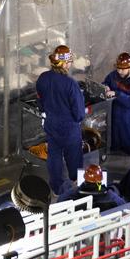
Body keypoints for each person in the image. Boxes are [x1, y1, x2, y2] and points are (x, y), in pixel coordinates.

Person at [35, 45, 86, 196]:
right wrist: (78, 119)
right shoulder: (71, 84)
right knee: (74, 156)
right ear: (64, 64)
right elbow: (78, 111)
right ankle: (77, 184)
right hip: (69, 127)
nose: (70, 64)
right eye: (69, 62)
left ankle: (57, 188)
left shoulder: (43, 78)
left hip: (51, 124)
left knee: (54, 155)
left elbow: (40, 101)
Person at [103, 53, 130, 154]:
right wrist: (105, 87)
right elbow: (105, 82)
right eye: (118, 68)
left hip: (129, 117)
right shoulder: (113, 75)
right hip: (114, 114)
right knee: (115, 143)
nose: (120, 71)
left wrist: (116, 94)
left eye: (123, 69)